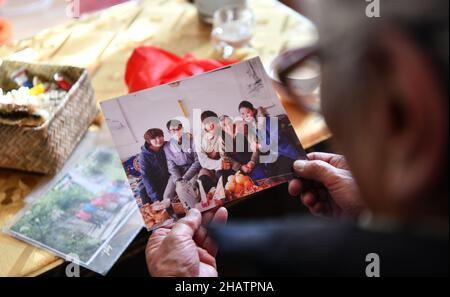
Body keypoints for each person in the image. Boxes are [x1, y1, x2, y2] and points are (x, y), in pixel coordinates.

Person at [145, 0, 448, 276]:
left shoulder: (298, 262)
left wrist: (185, 283)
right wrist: (374, 209)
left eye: (321, 58)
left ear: (405, 113)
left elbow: (249, 147)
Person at [238, 100, 303, 177]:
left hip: (284, 152)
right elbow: (256, 148)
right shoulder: (252, 128)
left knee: (283, 174)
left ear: (253, 111)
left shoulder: (269, 120)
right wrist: (252, 161)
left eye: (248, 112)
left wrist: (259, 145)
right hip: (272, 157)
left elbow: (275, 139)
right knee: (270, 176)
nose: (246, 116)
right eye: (242, 114)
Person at [162, 119, 201, 210]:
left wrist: (185, 177)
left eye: (178, 128)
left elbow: (198, 161)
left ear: (182, 128)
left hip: (193, 170)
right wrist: (177, 179)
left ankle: (195, 212)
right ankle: (172, 217)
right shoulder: (167, 147)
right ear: (169, 132)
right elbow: (171, 166)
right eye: (173, 130)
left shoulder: (192, 141)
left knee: (187, 189)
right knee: (167, 195)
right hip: (178, 173)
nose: (176, 131)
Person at [138, 128, 170, 205]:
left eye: (160, 136)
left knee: (168, 201)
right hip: (150, 184)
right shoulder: (143, 156)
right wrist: (154, 197)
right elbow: (146, 177)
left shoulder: (167, 146)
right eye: (154, 138)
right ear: (148, 141)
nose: (158, 140)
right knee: (148, 205)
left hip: (166, 180)